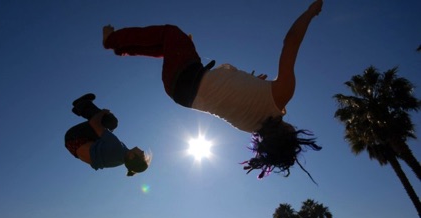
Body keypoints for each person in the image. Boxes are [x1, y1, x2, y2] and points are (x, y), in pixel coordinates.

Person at [103, 0, 323, 180]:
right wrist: (252, 82)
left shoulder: (282, 95)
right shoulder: (251, 127)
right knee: (172, 43)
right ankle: (121, 48)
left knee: (170, 33)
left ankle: (112, 40)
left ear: (288, 134)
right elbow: (233, 98)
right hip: (179, 92)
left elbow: (291, 42)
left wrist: (309, 12)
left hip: (189, 78)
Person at [65, 93, 151, 176]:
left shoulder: (117, 147)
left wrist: (102, 113)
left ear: (132, 156)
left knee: (110, 121)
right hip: (74, 147)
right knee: (108, 126)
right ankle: (78, 109)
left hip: (74, 138)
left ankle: (81, 105)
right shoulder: (119, 160)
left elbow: (94, 122)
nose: (143, 151)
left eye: (142, 155)